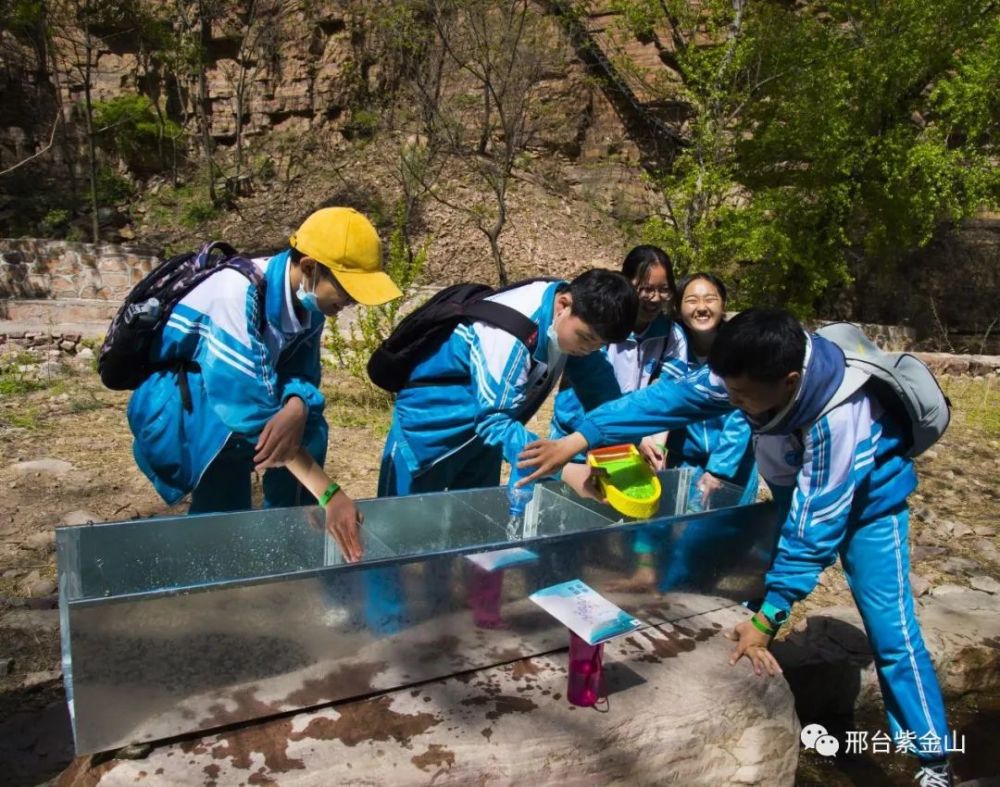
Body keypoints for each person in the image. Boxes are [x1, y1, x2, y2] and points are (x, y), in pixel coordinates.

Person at [517, 309, 953, 785]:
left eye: (741, 395)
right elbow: (672, 398)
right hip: (796, 491)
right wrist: (582, 437)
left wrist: (769, 618)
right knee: (717, 552)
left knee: (892, 634)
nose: (732, 400)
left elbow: (815, 527)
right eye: (728, 389)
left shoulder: (838, 416)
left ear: (789, 382)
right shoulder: (750, 369)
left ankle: (933, 760)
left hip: (872, 508)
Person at [127, 207, 402, 561]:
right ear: (309, 267)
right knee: (227, 484)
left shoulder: (310, 305)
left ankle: (288, 544)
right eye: (347, 288)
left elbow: (304, 376)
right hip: (186, 411)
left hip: (237, 400)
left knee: (309, 428)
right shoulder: (235, 293)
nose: (351, 301)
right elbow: (247, 413)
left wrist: (298, 405)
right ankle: (216, 564)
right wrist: (330, 493)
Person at [377, 270, 638, 516]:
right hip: (429, 435)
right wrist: (562, 468)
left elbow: (598, 384)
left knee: (474, 525)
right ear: (563, 305)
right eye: (585, 338)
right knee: (405, 526)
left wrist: (629, 439)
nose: (589, 349)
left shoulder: (573, 320)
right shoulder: (510, 331)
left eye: (599, 345)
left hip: (484, 443)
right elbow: (494, 421)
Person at [549, 246, 688, 455]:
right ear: (626, 283)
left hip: (627, 436)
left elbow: (668, 395)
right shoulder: (599, 324)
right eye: (646, 289)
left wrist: (655, 444)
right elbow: (581, 386)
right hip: (576, 433)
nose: (656, 298)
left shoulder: (672, 336)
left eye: (664, 289)